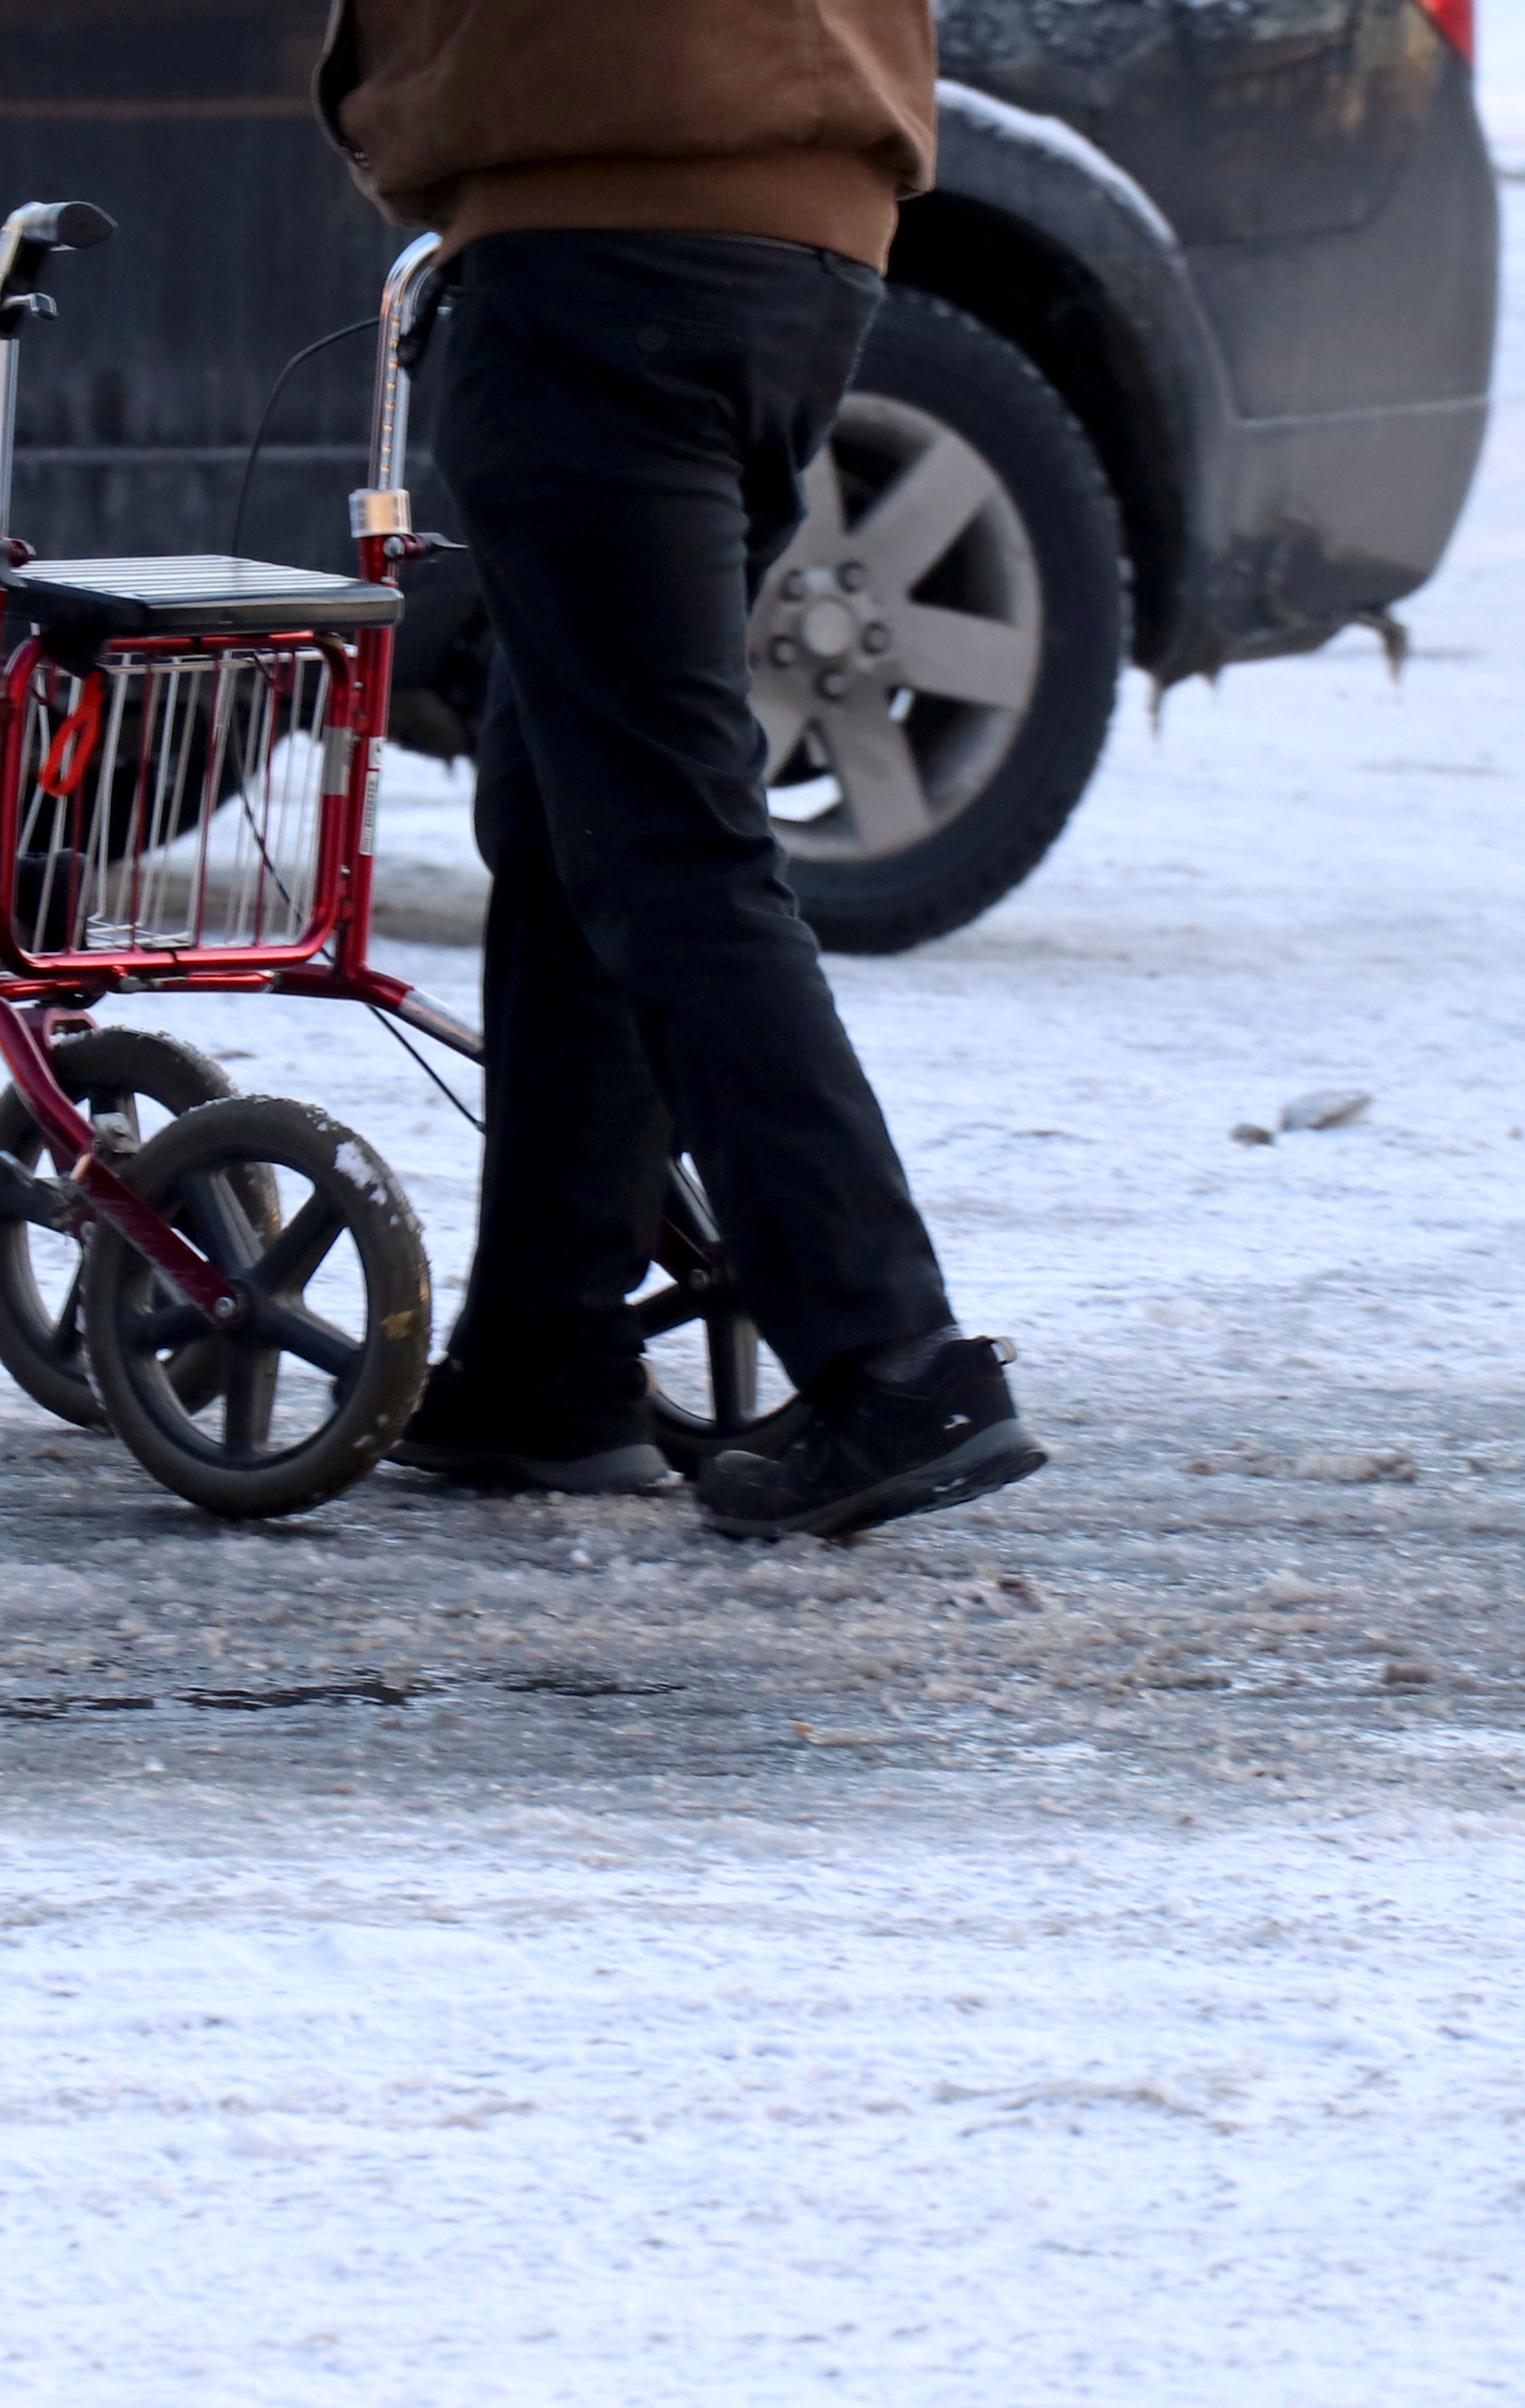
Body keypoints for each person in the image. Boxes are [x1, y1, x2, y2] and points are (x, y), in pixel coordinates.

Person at [315, 0, 1045, 1540]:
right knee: (575, 801)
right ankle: (542, 1365)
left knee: (660, 832)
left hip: (595, 240)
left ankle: (891, 1356)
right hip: (807, 250)